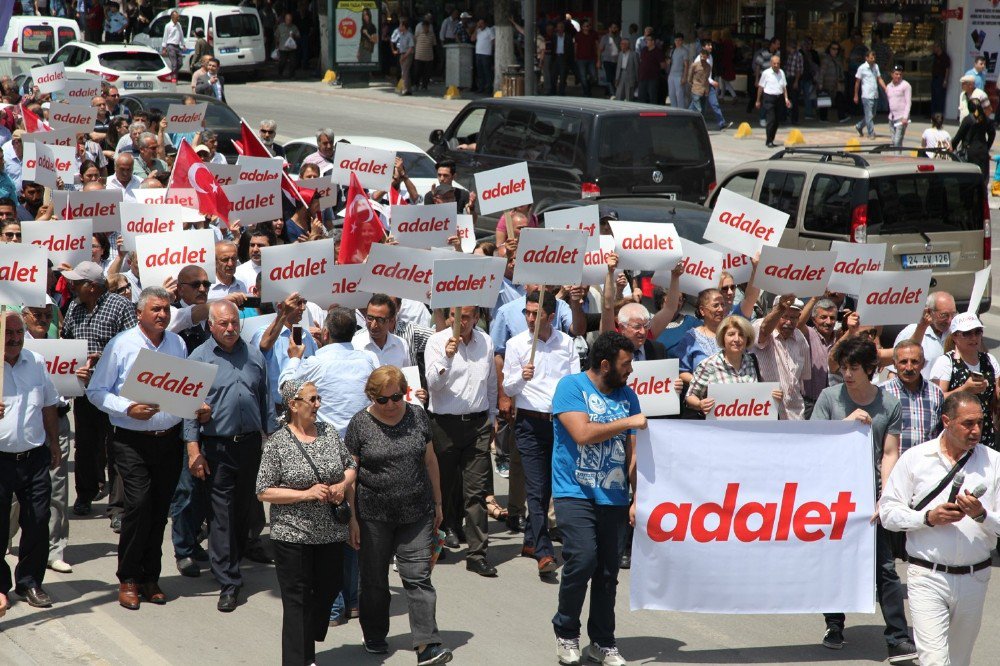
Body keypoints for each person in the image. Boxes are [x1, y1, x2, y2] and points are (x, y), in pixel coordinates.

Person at [87, 287, 208, 610]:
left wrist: (198, 406)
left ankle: (149, 577)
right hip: (131, 440)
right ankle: (127, 577)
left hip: (167, 439)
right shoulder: (121, 345)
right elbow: (96, 391)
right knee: (138, 505)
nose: (163, 315)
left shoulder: (177, 343)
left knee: (158, 510)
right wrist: (127, 409)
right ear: (140, 313)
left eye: (166, 309)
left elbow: (183, 392)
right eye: (155, 309)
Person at [811, 336, 914, 662]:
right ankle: (834, 624)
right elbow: (812, 442)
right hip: (833, 494)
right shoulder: (829, 398)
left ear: (870, 368)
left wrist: (885, 498)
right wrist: (846, 424)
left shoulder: (889, 404)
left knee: (884, 566)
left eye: (854, 367)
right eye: (844, 367)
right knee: (836, 560)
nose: (848, 374)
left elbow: (890, 452)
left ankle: (897, 637)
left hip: (871, 494)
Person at [880, 393, 999, 666]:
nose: (976, 430)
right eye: (968, 423)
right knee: (934, 661)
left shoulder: (994, 462)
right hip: (927, 576)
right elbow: (888, 513)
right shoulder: (916, 459)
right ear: (947, 421)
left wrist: (981, 515)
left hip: (974, 578)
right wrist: (928, 517)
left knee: (958, 660)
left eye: (980, 423)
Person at [550, 331, 646, 666]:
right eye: (625, 364)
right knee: (582, 559)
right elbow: (582, 433)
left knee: (607, 573)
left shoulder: (628, 396)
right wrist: (628, 421)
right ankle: (566, 634)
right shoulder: (571, 387)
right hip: (574, 492)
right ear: (605, 365)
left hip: (615, 497)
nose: (630, 370)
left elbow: (632, 453)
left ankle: (602, 642)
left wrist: (636, 497)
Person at [345, 366, 453, 665]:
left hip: (417, 511)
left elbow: (430, 460)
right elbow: (351, 476)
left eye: (396, 397)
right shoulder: (360, 425)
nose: (391, 405)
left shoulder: (418, 416)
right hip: (373, 516)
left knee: (418, 577)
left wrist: (439, 502)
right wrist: (352, 518)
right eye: (383, 400)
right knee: (375, 580)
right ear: (372, 397)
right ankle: (375, 634)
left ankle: (427, 644)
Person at [185, 301, 277, 612]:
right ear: (210, 326)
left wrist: (272, 440)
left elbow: (264, 398)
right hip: (217, 447)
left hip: (249, 445)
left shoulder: (253, 354)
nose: (230, 328)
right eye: (223, 324)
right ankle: (228, 580)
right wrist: (193, 449)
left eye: (234, 323)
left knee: (243, 511)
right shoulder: (198, 358)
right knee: (220, 513)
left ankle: (229, 561)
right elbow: (188, 411)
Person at [256, 379, 356, 665]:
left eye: (318, 398)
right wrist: (305, 494)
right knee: (297, 601)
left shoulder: (328, 432)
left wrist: (340, 485)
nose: (318, 404)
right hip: (292, 536)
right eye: (312, 399)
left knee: (328, 588)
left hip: (330, 533)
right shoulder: (278, 443)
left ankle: (307, 637)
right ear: (293, 404)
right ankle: (299, 659)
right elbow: (264, 490)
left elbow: (349, 467)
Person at [503, 290, 580, 578]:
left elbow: (574, 383)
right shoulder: (516, 344)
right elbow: (508, 389)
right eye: (527, 312)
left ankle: (529, 541)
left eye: (536, 314)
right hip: (529, 425)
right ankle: (544, 551)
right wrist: (519, 377)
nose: (530, 318)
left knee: (550, 487)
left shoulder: (567, 343)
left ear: (550, 316)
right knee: (536, 488)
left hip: (559, 424)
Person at [424, 306, 498, 578]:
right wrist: (447, 356)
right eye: (456, 316)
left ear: (476, 318)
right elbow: (433, 384)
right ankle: (435, 543)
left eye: (467, 317)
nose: (461, 322)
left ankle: (477, 553)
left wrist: (493, 416)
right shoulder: (436, 341)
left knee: (476, 492)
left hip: (477, 424)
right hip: (444, 425)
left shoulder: (486, 341)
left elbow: (490, 381)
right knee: (438, 489)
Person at [61, 261, 137, 524]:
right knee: (84, 445)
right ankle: (85, 494)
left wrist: (103, 357)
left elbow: (134, 345)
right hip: (84, 389)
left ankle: (117, 507)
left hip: (114, 390)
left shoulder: (120, 306)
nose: (71, 287)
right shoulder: (73, 307)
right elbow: (66, 339)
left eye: (76, 283)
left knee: (116, 447)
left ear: (91, 287)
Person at [0, 311, 60, 609]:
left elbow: (49, 405)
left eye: (17, 333)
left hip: (34, 456)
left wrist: (54, 445)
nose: (13, 339)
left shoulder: (35, 363)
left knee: (37, 520)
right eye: (7, 333)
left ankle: (30, 582)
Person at [686, 315, 783, 416]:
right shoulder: (708, 365)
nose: (736, 339)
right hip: (719, 429)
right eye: (731, 334)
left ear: (747, 339)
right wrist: (699, 404)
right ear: (723, 337)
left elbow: (758, 397)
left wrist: (773, 396)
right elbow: (690, 396)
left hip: (748, 428)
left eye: (741, 335)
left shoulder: (752, 362)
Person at [931, 312, 999, 451]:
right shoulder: (946, 362)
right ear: (955, 336)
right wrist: (964, 389)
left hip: (985, 432)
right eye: (967, 333)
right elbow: (935, 399)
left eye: (977, 332)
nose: (973, 338)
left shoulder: (989, 360)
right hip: (957, 433)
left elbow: (996, 396)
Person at [752, 296, 811, 420]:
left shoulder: (801, 339)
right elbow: (763, 330)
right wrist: (780, 308)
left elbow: (803, 379)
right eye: (784, 316)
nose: (788, 322)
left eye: (793, 318)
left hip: (795, 415)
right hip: (766, 413)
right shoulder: (760, 326)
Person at [883, 340, 943, 453]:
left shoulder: (936, 393)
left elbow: (940, 434)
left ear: (923, 363)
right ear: (894, 364)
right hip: (893, 466)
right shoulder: (882, 393)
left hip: (926, 466)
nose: (909, 367)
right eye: (903, 362)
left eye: (915, 362)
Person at [892, 292, 957, 380]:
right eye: (944, 315)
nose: (950, 320)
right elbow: (893, 373)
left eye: (953, 314)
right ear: (929, 312)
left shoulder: (956, 332)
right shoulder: (911, 331)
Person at [798, 296, 838, 417]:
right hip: (809, 403)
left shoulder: (840, 338)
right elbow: (798, 324)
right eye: (823, 317)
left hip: (833, 404)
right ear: (814, 319)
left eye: (832, 318)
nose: (828, 322)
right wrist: (814, 299)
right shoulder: (808, 334)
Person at [352, 294, 410, 368]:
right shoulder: (354, 344)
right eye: (370, 318)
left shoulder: (401, 344)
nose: (373, 325)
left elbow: (407, 377)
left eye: (380, 320)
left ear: (391, 320)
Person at [953, 99, 996, 187]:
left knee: (970, 180)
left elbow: (959, 135)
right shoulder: (985, 119)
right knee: (983, 179)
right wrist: (987, 146)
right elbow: (992, 133)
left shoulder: (968, 119)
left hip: (970, 152)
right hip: (983, 151)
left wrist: (952, 146)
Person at [756, 54, 792, 148]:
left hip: (779, 98)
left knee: (776, 121)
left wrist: (786, 99)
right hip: (769, 98)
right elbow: (760, 87)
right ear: (771, 63)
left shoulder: (782, 73)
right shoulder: (766, 73)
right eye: (774, 63)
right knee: (771, 120)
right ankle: (769, 141)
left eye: (778, 63)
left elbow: (784, 87)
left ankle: (772, 138)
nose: (776, 65)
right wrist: (758, 100)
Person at [854, 50, 886, 140]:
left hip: (875, 94)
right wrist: (855, 95)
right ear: (866, 58)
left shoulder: (876, 66)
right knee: (869, 115)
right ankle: (871, 133)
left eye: (874, 58)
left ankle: (859, 126)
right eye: (871, 58)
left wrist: (886, 89)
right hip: (866, 95)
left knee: (872, 114)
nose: (873, 59)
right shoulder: (862, 68)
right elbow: (857, 82)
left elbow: (879, 79)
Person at [886, 66, 912, 147]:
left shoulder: (906, 85)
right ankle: (897, 158)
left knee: (897, 140)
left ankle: (897, 157)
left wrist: (905, 117)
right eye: (896, 74)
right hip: (891, 117)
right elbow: (889, 101)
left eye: (900, 74)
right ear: (892, 74)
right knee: (894, 141)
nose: (898, 76)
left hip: (901, 118)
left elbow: (908, 102)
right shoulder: (888, 86)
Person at [573, 19, 599, 98]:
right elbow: (575, 46)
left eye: (588, 26)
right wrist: (575, 57)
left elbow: (597, 46)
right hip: (580, 59)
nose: (586, 28)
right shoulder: (578, 35)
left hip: (591, 58)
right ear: (581, 27)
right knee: (583, 77)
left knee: (594, 77)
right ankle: (586, 92)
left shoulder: (593, 34)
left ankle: (587, 88)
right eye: (584, 26)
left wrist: (598, 59)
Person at [636, 34, 664, 104]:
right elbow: (641, 61)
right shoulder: (644, 50)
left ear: (653, 41)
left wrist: (654, 69)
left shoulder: (658, 51)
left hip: (653, 78)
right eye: (646, 40)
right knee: (641, 96)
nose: (646, 42)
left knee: (652, 97)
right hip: (642, 77)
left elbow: (663, 65)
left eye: (648, 40)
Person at [472, 19, 495, 95]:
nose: (480, 25)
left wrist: (492, 51)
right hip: (478, 53)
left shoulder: (489, 30)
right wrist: (476, 29)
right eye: (479, 23)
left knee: (487, 72)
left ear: (485, 24)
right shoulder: (478, 31)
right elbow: (472, 39)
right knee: (480, 72)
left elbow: (493, 41)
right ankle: (481, 88)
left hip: (486, 54)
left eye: (481, 23)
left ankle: (489, 89)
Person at [276, 13, 302, 78]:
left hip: (291, 48)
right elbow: (276, 36)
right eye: (287, 19)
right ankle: (280, 73)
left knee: (293, 62)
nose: (289, 21)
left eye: (290, 20)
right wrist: (276, 45)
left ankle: (291, 75)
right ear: (285, 19)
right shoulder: (280, 27)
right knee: (282, 62)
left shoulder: (294, 27)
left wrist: (294, 35)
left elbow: (299, 36)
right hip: (283, 48)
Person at [393, 19, 415, 96]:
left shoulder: (409, 35)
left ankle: (405, 89)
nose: (399, 27)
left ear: (404, 26)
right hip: (402, 54)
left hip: (407, 55)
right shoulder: (401, 35)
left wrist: (404, 56)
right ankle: (408, 89)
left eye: (400, 25)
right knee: (405, 72)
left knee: (404, 72)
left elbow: (411, 47)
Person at [599, 23, 621, 97]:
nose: (615, 29)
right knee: (609, 77)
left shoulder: (619, 38)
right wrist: (599, 60)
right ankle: (612, 93)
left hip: (617, 61)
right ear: (610, 28)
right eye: (613, 27)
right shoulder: (605, 37)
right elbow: (600, 49)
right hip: (607, 60)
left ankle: (611, 92)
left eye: (616, 27)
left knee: (615, 77)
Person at [161, 11, 184, 80]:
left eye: (178, 17)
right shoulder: (168, 26)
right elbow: (165, 36)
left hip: (177, 46)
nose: (178, 19)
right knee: (174, 64)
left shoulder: (179, 25)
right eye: (176, 17)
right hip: (170, 46)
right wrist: (164, 48)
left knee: (180, 63)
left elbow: (181, 34)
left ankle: (172, 74)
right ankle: (174, 78)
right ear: (172, 17)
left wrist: (183, 44)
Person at [614, 38, 638, 102]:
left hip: (630, 76)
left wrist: (637, 80)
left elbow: (637, 68)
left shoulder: (634, 54)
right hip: (621, 74)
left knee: (629, 96)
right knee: (619, 95)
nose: (622, 45)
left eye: (624, 44)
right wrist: (617, 79)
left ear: (628, 45)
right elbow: (618, 67)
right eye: (621, 44)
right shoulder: (620, 54)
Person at [930, 42, 950, 117]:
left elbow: (947, 69)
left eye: (935, 47)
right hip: (934, 78)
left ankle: (939, 114)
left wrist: (945, 80)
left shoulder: (945, 57)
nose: (933, 49)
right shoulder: (935, 56)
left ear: (939, 48)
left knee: (940, 97)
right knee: (934, 96)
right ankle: (933, 113)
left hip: (940, 79)